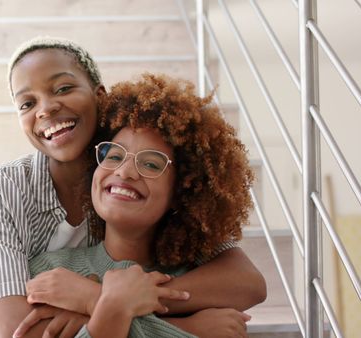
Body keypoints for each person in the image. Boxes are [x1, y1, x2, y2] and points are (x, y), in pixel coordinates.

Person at [0, 36, 266, 338]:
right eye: (27, 103)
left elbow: (246, 280)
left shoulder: (132, 154)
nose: (46, 109)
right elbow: (17, 331)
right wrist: (167, 323)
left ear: (100, 95)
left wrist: (101, 299)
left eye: (64, 88)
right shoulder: (1, 190)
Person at [14, 73, 257, 338]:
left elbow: (253, 284)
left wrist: (100, 304)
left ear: (181, 192)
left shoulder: (205, 283)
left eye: (151, 163)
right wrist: (116, 304)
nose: (125, 171)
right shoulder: (50, 274)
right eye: (114, 155)